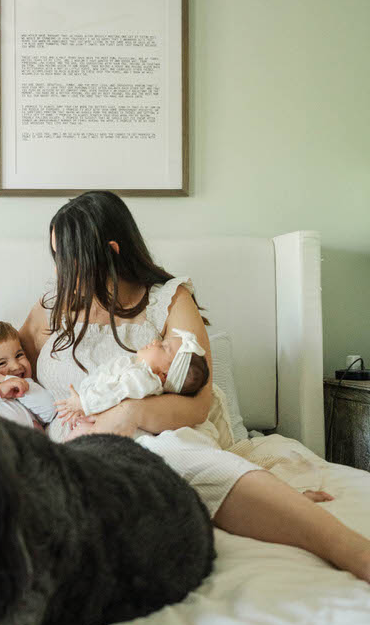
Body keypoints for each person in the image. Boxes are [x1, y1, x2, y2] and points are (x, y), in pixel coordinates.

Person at [20, 190, 370, 583]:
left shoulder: (168, 300)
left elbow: (197, 404)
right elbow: (3, 367)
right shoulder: (53, 304)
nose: (60, 271)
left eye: (68, 259)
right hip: (71, 447)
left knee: (180, 457)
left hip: (159, 434)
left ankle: (347, 546)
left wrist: (129, 413)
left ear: (111, 251)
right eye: (56, 257)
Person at [56, 328, 209, 433]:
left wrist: (84, 403)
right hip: (93, 417)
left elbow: (114, 392)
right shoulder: (138, 370)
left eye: (163, 347)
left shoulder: (142, 380)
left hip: (103, 426)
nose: (156, 341)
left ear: (164, 375)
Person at [0, 320, 56, 431]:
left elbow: (51, 411)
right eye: (2, 363)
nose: (16, 366)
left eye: (19, 355)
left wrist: (7, 379)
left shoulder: (31, 389)